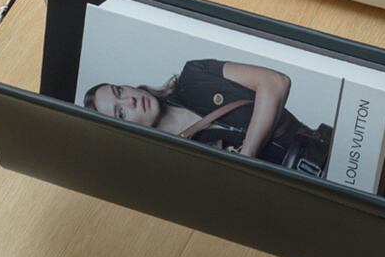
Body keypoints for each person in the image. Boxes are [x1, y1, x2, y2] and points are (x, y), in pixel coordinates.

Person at [83, 58, 330, 172]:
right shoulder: (176, 165)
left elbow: (275, 82)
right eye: (121, 113)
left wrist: (248, 154)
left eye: (119, 91)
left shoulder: (195, 75)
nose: (130, 100)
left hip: (326, 151)